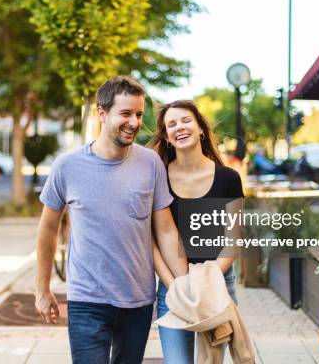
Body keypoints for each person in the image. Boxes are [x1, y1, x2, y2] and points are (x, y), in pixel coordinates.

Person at [35, 75, 188, 364]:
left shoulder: (150, 163)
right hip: (87, 299)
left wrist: (187, 285)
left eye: (139, 114)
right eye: (126, 113)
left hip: (138, 300)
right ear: (102, 113)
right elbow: (47, 229)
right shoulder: (67, 166)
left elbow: (166, 231)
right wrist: (42, 289)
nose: (134, 122)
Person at [148, 99, 245, 364]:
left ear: (201, 128)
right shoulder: (158, 178)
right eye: (171, 124)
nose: (179, 127)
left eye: (185, 120)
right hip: (172, 287)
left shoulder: (228, 178)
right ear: (167, 136)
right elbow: (152, 242)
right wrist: (176, 285)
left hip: (217, 284)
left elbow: (233, 239)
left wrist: (207, 280)